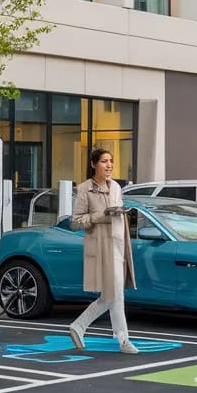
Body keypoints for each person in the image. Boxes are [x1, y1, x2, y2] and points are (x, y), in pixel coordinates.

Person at [67, 149, 139, 354]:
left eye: (111, 161)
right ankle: (123, 340)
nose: (109, 165)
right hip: (100, 247)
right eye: (104, 161)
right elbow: (75, 222)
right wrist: (100, 216)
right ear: (93, 164)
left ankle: (79, 326)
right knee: (114, 294)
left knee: (114, 294)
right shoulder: (84, 189)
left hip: (118, 245)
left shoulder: (116, 187)